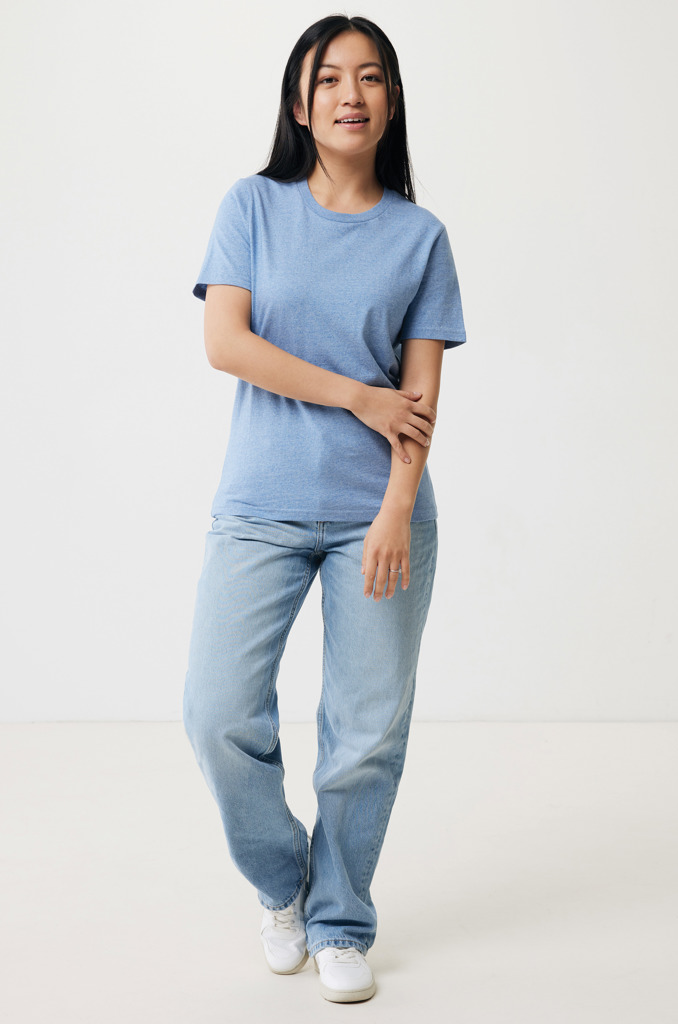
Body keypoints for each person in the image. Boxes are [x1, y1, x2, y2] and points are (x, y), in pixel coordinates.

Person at [183, 13, 467, 1004]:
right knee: (216, 713)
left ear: (390, 101)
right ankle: (285, 886)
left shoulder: (419, 237)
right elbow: (226, 342)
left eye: (371, 76)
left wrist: (395, 509)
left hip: (377, 513)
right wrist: (355, 395)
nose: (352, 93)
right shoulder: (251, 206)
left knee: (364, 734)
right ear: (299, 104)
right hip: (258, 506)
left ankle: (341, 919)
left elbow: (419, 400)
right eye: (331, 76)